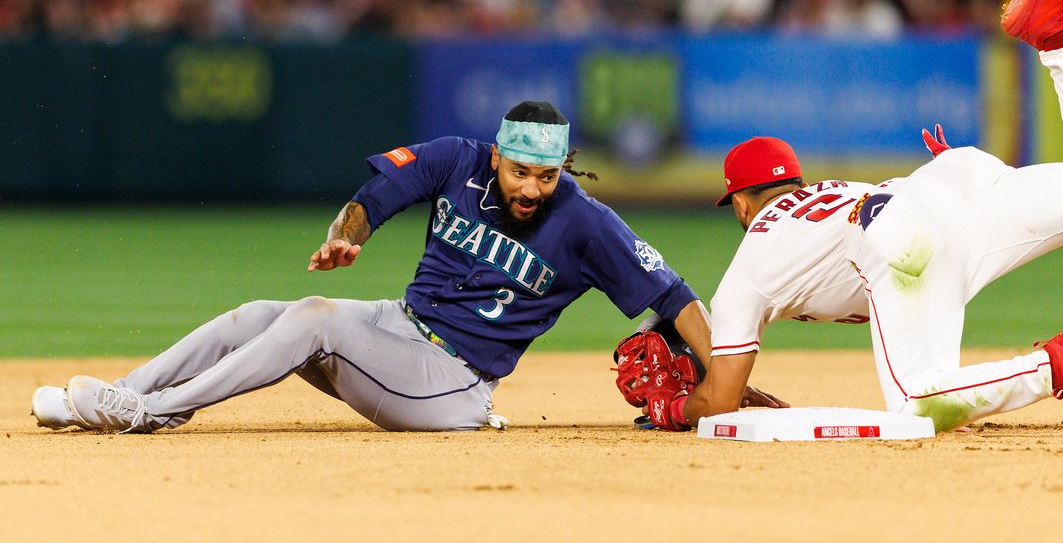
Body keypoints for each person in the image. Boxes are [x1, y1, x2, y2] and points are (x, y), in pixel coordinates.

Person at [639, 0, 1063, 438]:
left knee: (917, 405)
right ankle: (1056, 40)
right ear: (795, 183)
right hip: (951, 183)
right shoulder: (829, 193)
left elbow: (720, 404)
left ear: (742, 202)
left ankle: (1055, 366)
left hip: (906, 236)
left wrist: (674, 405)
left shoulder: (746, 270)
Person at [31, 101, 734, 433]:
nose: (531, 188)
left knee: (313, 318)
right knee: (255, 315)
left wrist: (727, 379)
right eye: (520, 171)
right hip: (398, 333)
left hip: (452, 384)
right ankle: (124, 393)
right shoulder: (456, 158)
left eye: (546, 177)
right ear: (497, 156)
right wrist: (348, 234)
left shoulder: (584, 222)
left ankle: (150, 414)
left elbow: (673, 295)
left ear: (562, 169)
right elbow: (376, 196)